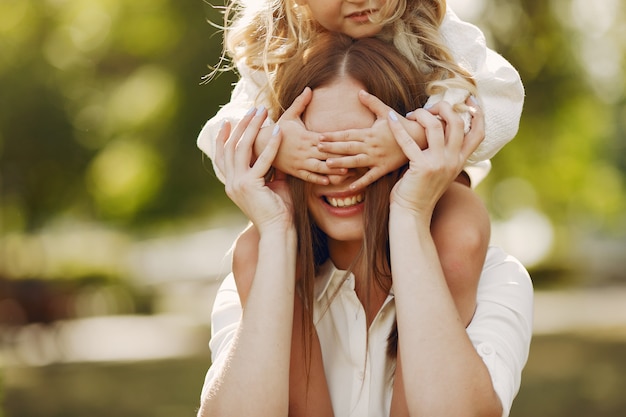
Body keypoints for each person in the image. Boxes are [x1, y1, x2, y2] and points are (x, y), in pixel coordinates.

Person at [197, 33, 533, 417]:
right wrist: (275, 230)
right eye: (318, 151)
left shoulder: (495, 278)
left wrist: (409, 212)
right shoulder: (257, 277)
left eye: (361, 150)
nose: (340, 172)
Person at [198, 0, 524, 327]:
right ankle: (298, 366)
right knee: (253, 251)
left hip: (433, 190)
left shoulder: (429, 26)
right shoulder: (278, 42)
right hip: (316, 199)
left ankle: (434, 350)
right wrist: (270, 142)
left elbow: (501, 97)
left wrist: (413, 136)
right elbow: (219, 132)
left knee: (461, 233)